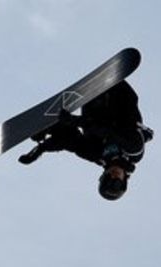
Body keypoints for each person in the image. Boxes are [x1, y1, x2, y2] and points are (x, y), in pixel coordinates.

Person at [18, 80, 153, 200]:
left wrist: (42, 145)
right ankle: (105, 88)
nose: (114, 176)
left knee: (80, 139)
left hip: (95, 106)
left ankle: (52, 126)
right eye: (117, 182)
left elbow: (71, 142)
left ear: (103, 176)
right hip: (120, 95)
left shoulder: (98, 156)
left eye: (108, 179)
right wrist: (75, 121)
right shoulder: (134, 152)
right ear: (124, 181)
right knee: (102, 128)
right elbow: (110, 132)